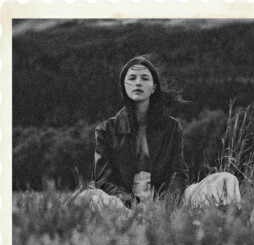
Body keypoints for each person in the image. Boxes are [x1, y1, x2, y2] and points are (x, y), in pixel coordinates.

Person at [71, 56, 241, 212]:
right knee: (88, 197)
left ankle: (226, 225)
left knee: (225, 180)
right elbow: (104, 181)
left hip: (169, 204)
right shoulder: (106, 130)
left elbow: (178, 173)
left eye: (144, 78)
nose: (138, 83)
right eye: (132, 78)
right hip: (123, 207)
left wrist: (168, 204)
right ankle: (129, 223)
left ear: (153, 88)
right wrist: (133, 203)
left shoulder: (171, 127)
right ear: (124, 85)